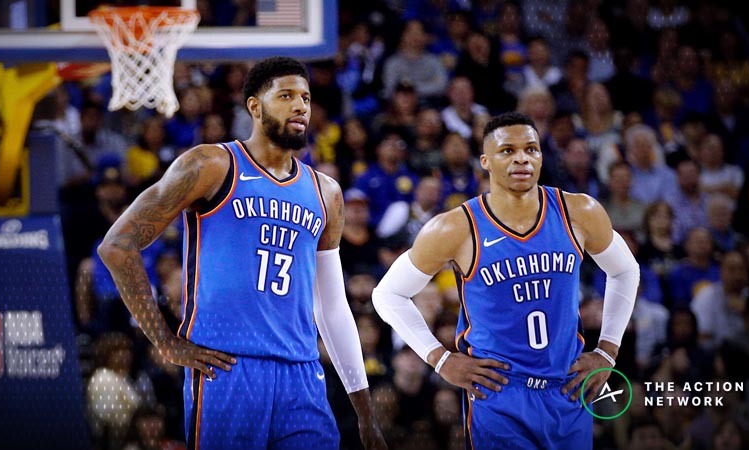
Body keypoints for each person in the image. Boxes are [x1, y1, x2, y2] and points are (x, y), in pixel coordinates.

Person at [97, 56, 386, 450]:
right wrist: (165, 340)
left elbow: (333, 308)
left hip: (301, 374)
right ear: (254, 105)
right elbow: (117, 246)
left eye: (306, 97)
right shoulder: (211, 164)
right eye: (285, 95)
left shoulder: (326, 193)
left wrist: (365, 415)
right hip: (228, 368)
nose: (300, 105)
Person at [372, 112, 639, 449]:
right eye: (507, 151)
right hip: (500, 394)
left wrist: (608, 351)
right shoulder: (456, 227)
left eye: (531, 149)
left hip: (569, 387)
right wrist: (439, 358)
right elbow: (387, 294)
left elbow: (626, 270)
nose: (522, 158)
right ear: (485, 161)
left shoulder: (579, 212)